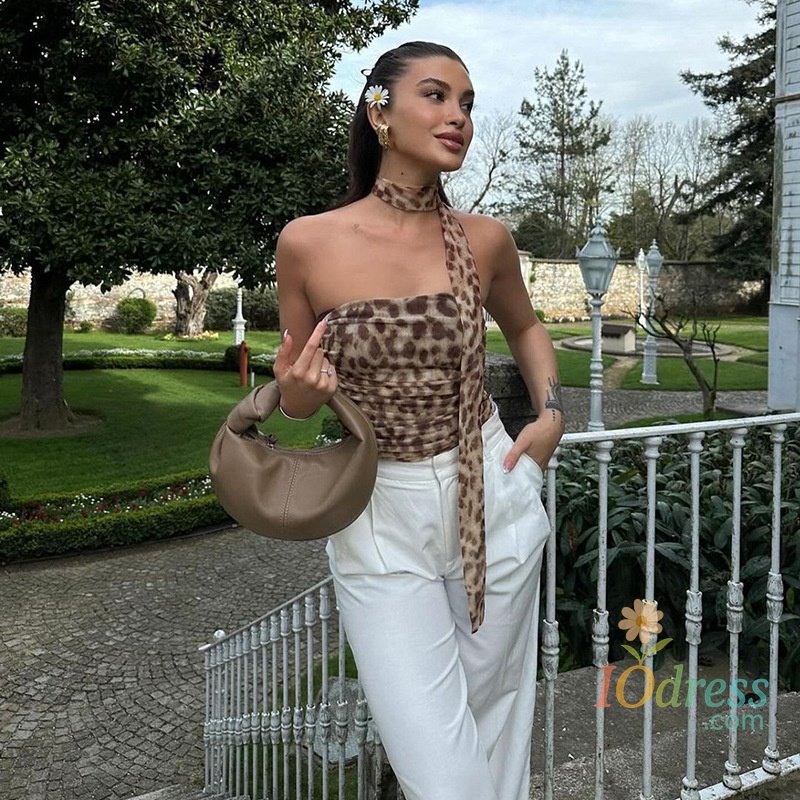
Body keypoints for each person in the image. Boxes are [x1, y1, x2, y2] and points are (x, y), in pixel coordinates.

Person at [273, 41, 564, 800]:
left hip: (489, 488)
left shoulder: (484, 239)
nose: (458, 116)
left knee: (494, 727)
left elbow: (526, 327)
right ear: (380, 111)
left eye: (467, 104)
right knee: (439, 765)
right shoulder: (307, 243)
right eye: (436, 95)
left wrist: (551, 414)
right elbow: (297, 396)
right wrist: (299, 391)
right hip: (377, 506)